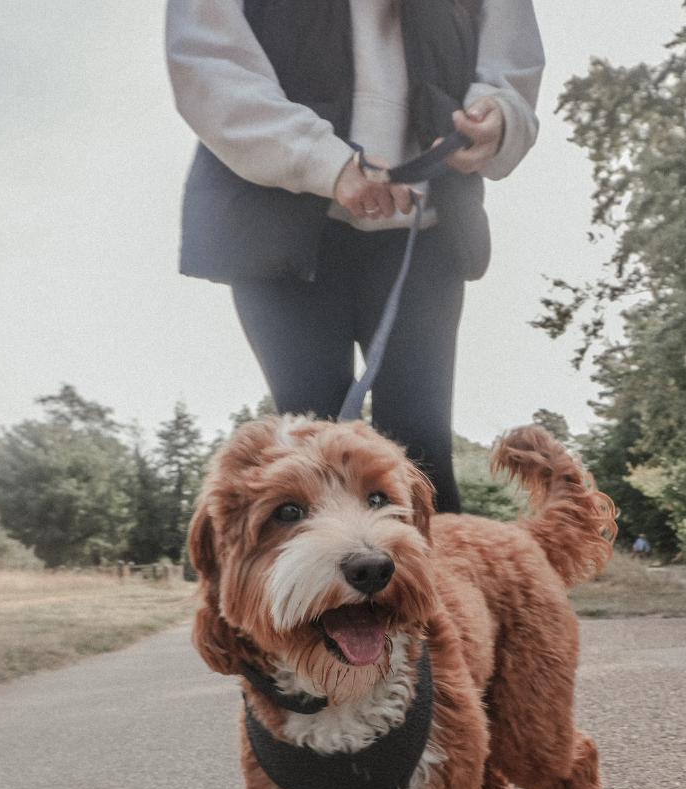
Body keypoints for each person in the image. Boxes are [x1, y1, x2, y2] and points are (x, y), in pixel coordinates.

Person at [166, 0, 544, 513]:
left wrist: (499, 114)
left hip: (421, 233)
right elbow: (208, 66)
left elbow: (509, 65)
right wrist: (326, 162)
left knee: (423, 461)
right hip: (283, 228)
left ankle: (438, 592)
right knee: (313, 464)